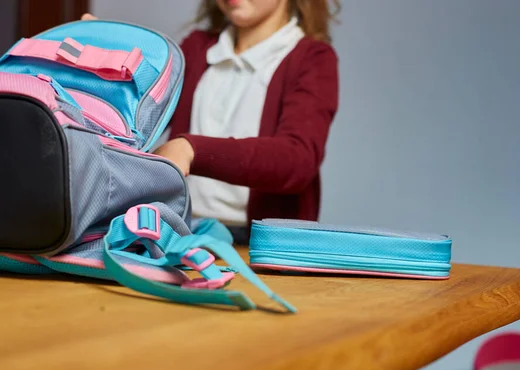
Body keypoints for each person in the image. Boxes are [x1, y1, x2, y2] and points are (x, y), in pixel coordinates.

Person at [82, 0, 340, 244]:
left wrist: (192, 149)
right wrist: (103, 59)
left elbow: (297, 160)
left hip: (264, 248)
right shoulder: (196, 49)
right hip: (182, 236)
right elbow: (139, 114)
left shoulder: (312, 58)